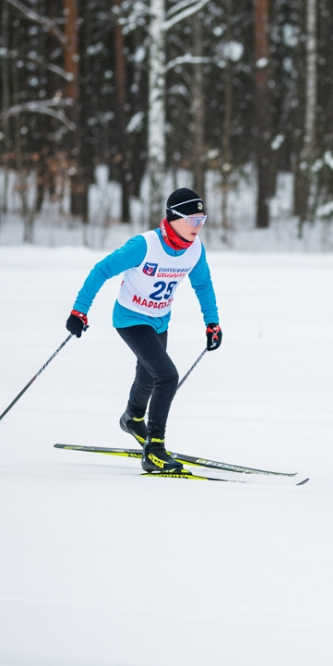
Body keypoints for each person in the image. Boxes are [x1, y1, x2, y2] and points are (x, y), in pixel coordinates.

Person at [65, 188, 222, 474]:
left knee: (149, 374)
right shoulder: (144, 246)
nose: (198, 227)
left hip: (160, 319)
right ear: (173, 218)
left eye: (202, 220)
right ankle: (154, 449)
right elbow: (102, 270)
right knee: (167, 376)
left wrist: (212, 322)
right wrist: (79, 310)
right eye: (192, 220)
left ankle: (133, 419)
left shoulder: (195, 250)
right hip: (130, 319)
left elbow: (203, 285)